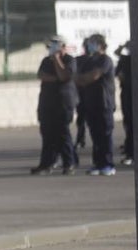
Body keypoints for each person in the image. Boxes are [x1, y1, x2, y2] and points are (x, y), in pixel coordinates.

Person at [31, 35, 77, 175]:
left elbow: (64, 76)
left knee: (62, 134)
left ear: (61, 46)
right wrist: (56, 78)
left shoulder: (69, 60)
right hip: (46, 102)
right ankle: (46, 164)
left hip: (63, 103)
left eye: (53, 45)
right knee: (47, 134)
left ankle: (69, 164)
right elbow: (41, 75)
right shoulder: (46, 60)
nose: (49, 48)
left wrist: (57, 59)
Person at [75, 34, 116, 176]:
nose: (89, 45)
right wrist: (81, 78)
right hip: (90, 103)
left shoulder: (106, 60)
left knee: (105, 135)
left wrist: (83, 78)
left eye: (93, 42)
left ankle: (108, 164)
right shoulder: (89, 60)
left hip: (104, 103)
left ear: (100, 44)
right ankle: (98, 163)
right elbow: (78, 77)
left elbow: (93, 76)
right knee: (95, 135)